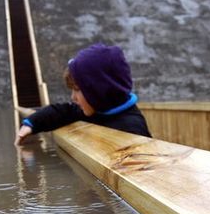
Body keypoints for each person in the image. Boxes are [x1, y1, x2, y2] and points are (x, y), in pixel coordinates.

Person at [15, 43, 151, 145]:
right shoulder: (97, 109)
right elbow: (62, 111)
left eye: (78, 90)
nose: (73, 97)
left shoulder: (132, 129)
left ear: (99, 91)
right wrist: (31, 123)